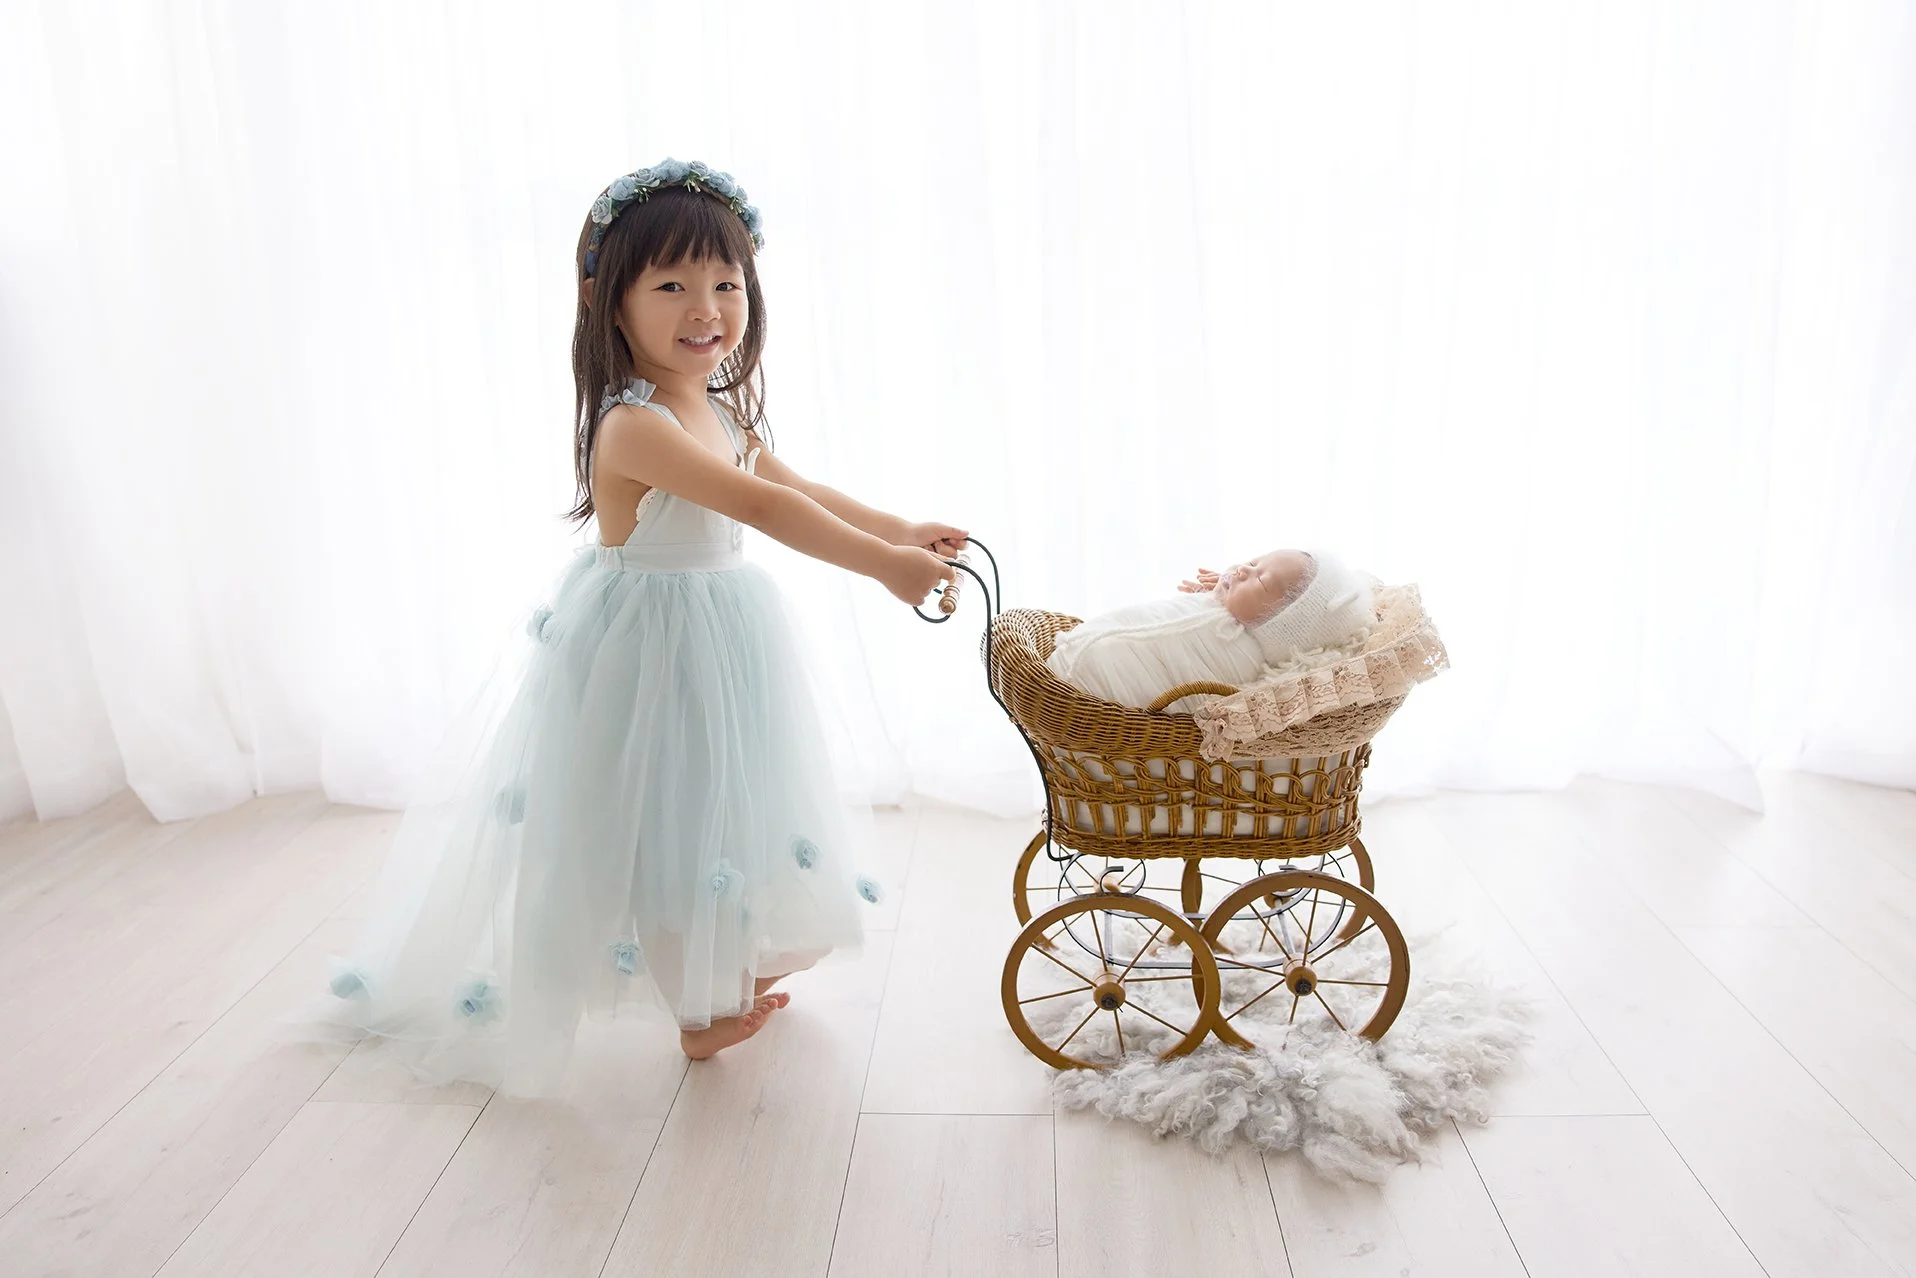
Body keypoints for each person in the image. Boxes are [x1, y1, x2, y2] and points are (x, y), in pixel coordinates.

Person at [309, 159, 966, 1094]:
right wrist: (889, 570)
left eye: (726, 283)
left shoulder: (719, 406)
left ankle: (731, 966)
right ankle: (699, 1014)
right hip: (649, 647)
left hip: (724, 634)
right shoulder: (636, 426)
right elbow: (763, 511)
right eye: (671, 285)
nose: (707, 307)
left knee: (735, 811)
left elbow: (794, 489)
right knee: (669, 826)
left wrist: (898, 528)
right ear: (608, 302)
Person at [1044, 549, 1375, 709]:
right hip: (1072, 667)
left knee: (1112, 654)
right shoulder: (1223, 612)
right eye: (1254, 561)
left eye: (1261, 580)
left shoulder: (1246, 660)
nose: (1243, 569)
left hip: (1086, 690)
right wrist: (1223, 596)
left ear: (1284, 627)